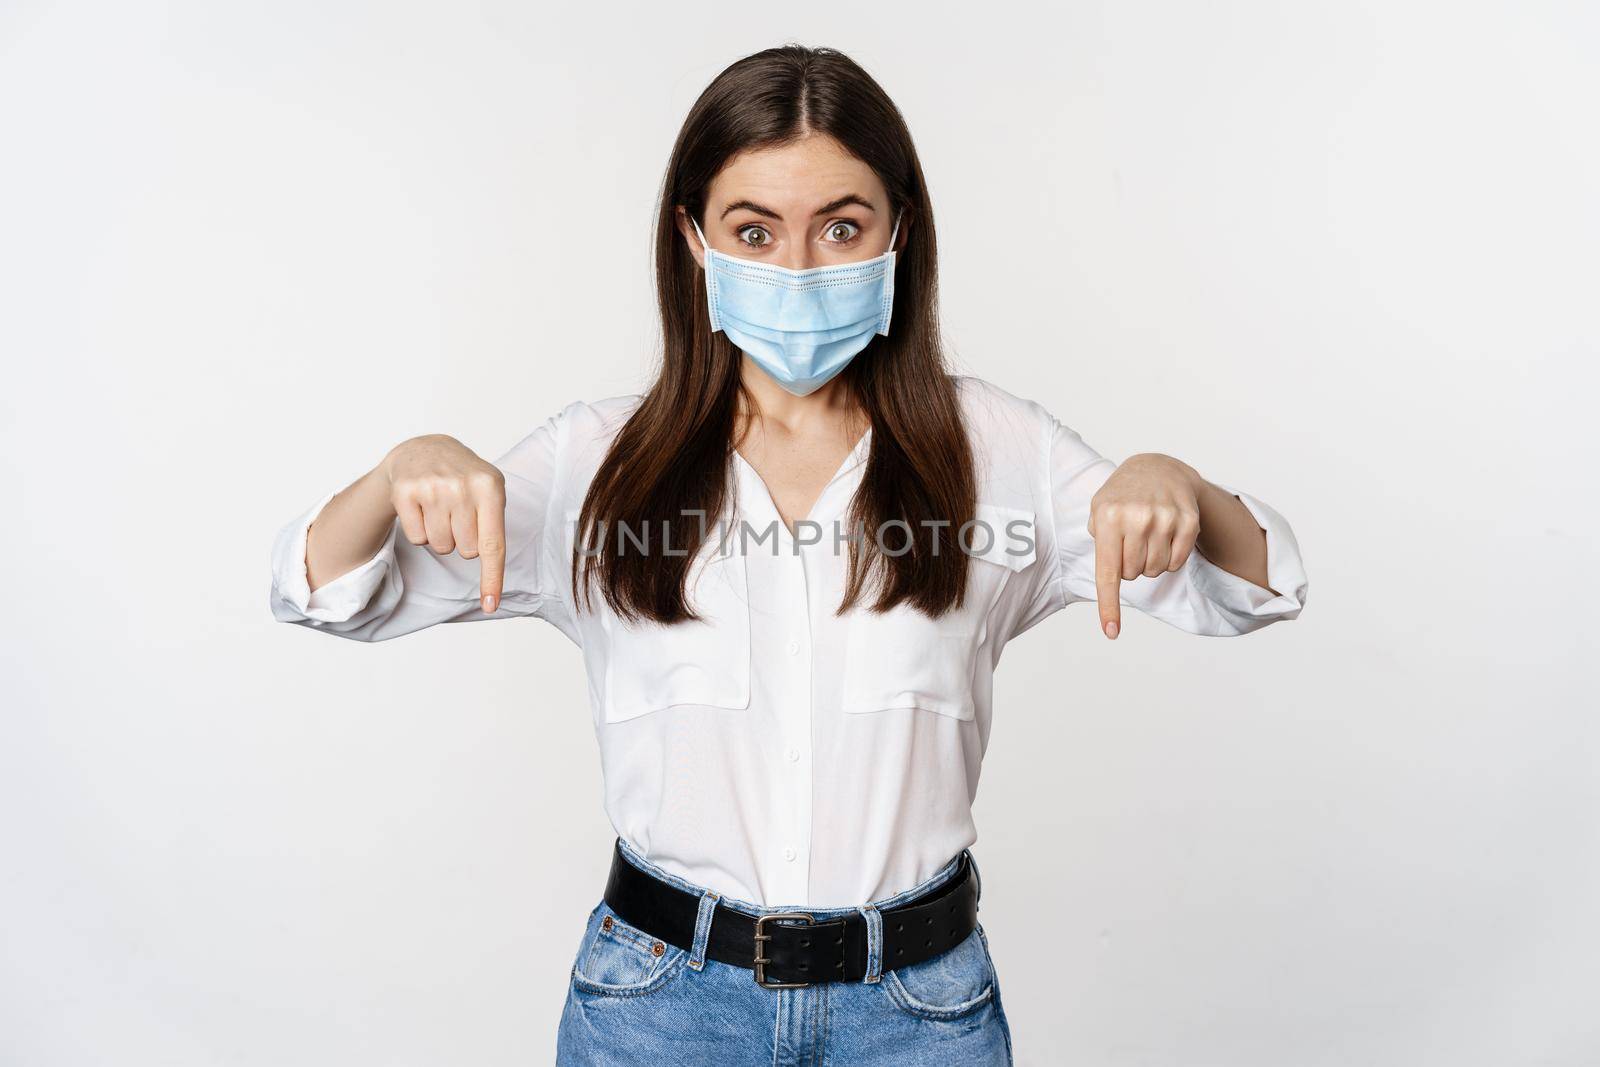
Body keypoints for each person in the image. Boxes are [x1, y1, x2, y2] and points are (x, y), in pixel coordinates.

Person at [268, 43, 1308, 1067]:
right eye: (754, 230)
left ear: (899, 230)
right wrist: (396, 470)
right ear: (694, 239)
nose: (798, 267)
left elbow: (1256, 588)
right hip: (659, 1008)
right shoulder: (596, 463)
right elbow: (326, 591)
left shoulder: (1000, 453)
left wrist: (1179, 483)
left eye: (840, 227)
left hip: (918, 1011)